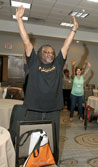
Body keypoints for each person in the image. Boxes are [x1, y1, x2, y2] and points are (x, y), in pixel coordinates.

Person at [16, 5, 78, 162]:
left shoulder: (57, 64)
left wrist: (73, 30)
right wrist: (19, 20)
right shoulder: (34, 62)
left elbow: (66, 46)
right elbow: (26, 41)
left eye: (52, 52)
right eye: (47, 52)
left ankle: (51, 162)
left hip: (53, 111)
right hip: (33, 109)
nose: (50, 54)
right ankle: (31, 162)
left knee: (51, 140)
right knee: (32, 139)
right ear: (39, 54)